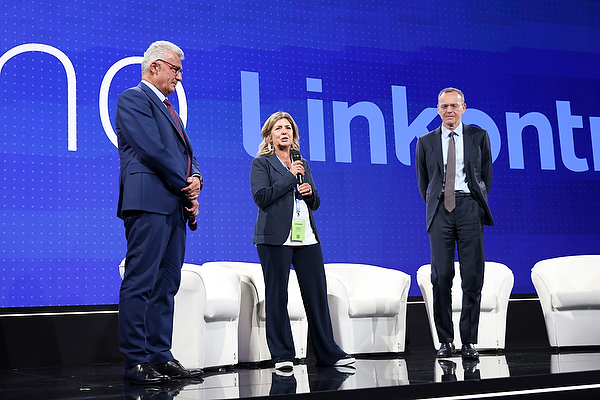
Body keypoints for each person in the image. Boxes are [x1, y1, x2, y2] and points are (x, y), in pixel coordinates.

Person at [116, 40, 204, 384]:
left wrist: (196, 178)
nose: (179, 77)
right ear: (154, 67)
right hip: (148, 203)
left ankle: (160, 356)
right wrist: (185, 185)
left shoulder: (171, 110)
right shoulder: (133, 99)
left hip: (173, 206)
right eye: (175, 69)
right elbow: (153, 150)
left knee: (167, 284)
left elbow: (185, 155)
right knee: (141, 281)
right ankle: (135, 361)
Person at [250, 111, 355, 372]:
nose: (284, 132)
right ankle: (282, 355)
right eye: (278, 128)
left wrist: (308, 193)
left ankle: (328, 352)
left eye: (288, 128)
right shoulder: (261, 163)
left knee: (316, 295)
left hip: (306, 237)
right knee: (277, 295)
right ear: (269, 136)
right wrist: (289, 177)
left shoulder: (302, 163)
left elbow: (315, 202)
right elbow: (261, 197)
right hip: (274, 238)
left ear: (294, 134)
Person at [415, 88, 494, 360]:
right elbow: (424, 183)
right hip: (440, 210)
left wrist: (474, 201)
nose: (449, 110)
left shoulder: (478, 136)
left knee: (472, 277)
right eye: (444, 106)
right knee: (441, 277)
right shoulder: (425, 141)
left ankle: (469, 341)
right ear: (438, 109)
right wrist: (436, 202)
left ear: (463, 108)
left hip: (469, 207)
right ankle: (446, 340)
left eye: (454, 106)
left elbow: (485, 176)